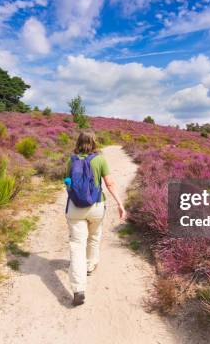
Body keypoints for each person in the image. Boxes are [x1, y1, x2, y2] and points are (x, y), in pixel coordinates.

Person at [65, 131, 126, 306]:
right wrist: (120, 204)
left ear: (78, 142)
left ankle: (78, 289)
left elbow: (68, 183)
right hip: (96, 207)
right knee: (94, 236)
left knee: (77, 245)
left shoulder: (72, 160)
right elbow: (110, 184)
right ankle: (90, 265)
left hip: (75, 209)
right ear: (94, 143)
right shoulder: (99, 160)